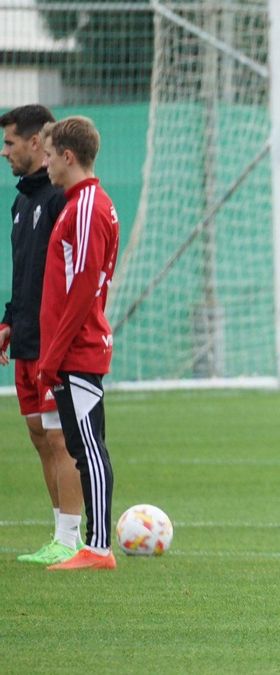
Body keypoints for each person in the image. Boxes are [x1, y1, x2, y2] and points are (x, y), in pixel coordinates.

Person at [38, 116, 121, 571]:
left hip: (79, 348)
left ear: (68, 156)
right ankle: (96, 545)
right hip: (73, 348)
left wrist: (52, 354)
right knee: (80, 443)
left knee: (88, 446)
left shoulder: (88, 205)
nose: (45, 162)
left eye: (50, 154)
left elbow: (85, 283)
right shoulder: (80, 204)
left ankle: (100, 547)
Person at [0, 104, 82, 565]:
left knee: (57, 437)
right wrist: (10, 319)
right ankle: (59, 532)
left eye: (10, 142)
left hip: (54, 340)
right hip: (27, 336)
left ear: (37, 143)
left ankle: (71, 539)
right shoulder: (21, 201)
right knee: (37, 433)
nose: (4, 151)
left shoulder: (59, 201)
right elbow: (25, 271)